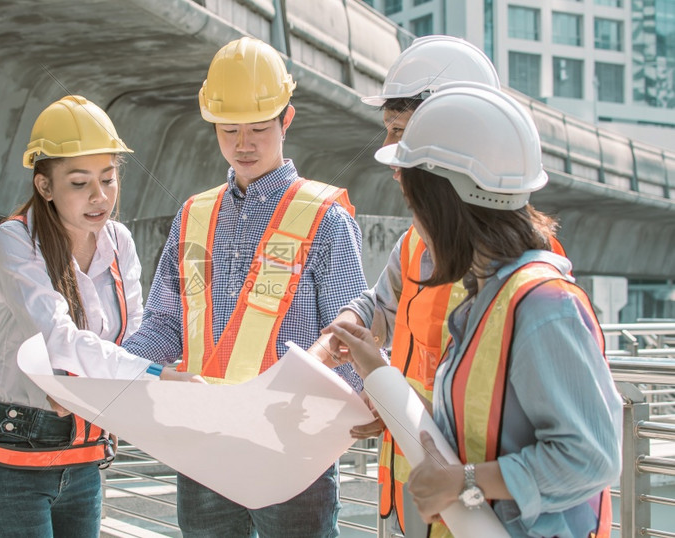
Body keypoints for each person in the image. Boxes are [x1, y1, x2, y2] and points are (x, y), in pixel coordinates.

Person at [327, 83, 622, 537]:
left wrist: (465, 484)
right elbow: (476, 430)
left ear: (446, 207)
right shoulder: (483, 297)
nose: (417, 227)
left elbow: (591, 457)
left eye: (415, 205)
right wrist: (377, 375)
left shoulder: (544, 304)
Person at [122, 36, 368, 537]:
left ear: (287, 120)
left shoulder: (324, 219)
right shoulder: (193, 216)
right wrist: (112, 367)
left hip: (294, 456)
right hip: (204, 451)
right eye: (228, 129)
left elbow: (353, 342)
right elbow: (169, 323)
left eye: (258, 128)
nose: (243, 144)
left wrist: (335, 431)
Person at [0, 95, 197, 538]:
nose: (100, 196)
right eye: (79, 183)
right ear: (44, 186)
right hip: (14, 455)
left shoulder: (119, 241)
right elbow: (60, 339)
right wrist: (154, 376)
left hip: (86, 455)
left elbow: (132, 335)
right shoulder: (15, 241)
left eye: (108, 179)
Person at [309, 35, 513, 536]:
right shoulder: (415, 245)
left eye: (399, 133)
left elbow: (566, 451)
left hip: (478, 508)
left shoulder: (525, 279)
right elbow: (380, 304)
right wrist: (352, 326)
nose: (389, 153)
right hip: (418, 497)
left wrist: (412, 414)